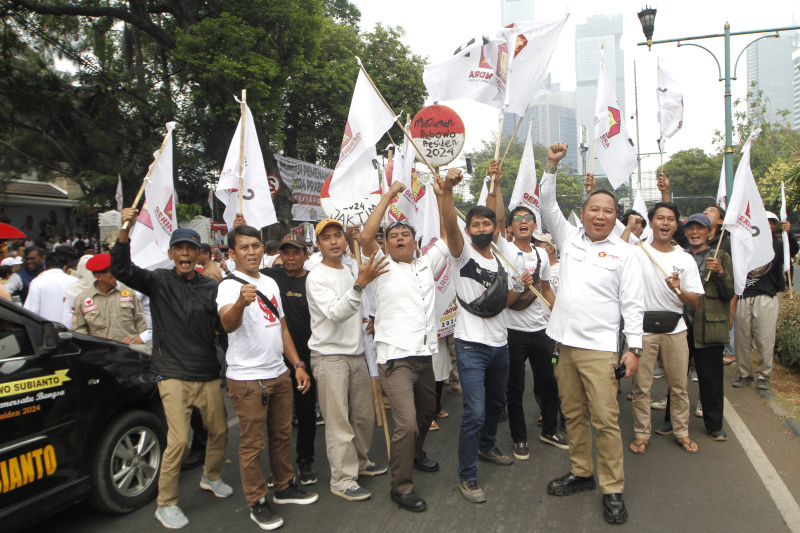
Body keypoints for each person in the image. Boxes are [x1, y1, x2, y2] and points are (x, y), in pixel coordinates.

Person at [539, 143, 643, 525]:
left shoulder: (624, 254)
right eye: (593, 209)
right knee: (572, 414)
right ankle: (582, 473)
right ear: (582, 214)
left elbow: (633, 305)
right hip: (563, 345)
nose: (600, 216)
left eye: (608, 212)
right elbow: (547, 201)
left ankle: (612, 489)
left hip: (600, 350)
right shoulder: (567, 238)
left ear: (615, 218)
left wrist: (634, 349)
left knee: (605, 419)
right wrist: (551, 165)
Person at [112, 209, 231, 530]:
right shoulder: (157, 280)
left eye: (191, 249)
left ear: (199, 255)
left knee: (219, 431)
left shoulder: (211, 287)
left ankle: (212, 475)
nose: (185, 254)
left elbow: (224, 328)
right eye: (179, 249)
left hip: (207, 373)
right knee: (178, 441)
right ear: (171, 254)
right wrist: (126, 227)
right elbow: (120, 267)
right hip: (172, 374)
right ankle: (165, 504)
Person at [438, 161, 532, 504]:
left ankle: (487, 446)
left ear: (494, 229)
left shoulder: (502, 253)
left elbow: (501, 213)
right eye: (474, 223)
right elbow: (449, 223)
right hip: (470, 347)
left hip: (500, 344)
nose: (481, 226)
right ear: (469, 228)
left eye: (486, 223)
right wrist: (447, 190)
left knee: (495, 403)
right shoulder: (461, 252)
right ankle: (467, 476)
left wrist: (494, 182)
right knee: (474, 411)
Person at [218, 224, 317, 530]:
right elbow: (227, 325)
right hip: (248, 379)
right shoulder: (228, 286)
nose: (251, 251)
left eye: (255, 246)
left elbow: (282, 328)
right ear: (232, 253)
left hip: (279, 373)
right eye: (244, 247)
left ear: (263, 249)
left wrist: (297, 364)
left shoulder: (270, 283)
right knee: (251, 445)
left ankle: (284, 486)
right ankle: (257, 500)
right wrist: (240, 303)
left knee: (282, 434)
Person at [359, 180, 448, 513]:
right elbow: (367, 238)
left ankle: (416, 454)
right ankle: (401, 486)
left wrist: (444, 196)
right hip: (396, 360)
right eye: (393, 235)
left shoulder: (427, 264)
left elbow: (452, 235)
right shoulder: (381, 265)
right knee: (406, 423)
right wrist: (388, 196)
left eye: (405, 234)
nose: (398, 238)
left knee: (426, 414)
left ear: (415, 242)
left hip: (426, 357)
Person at [306, 217, 389, 502]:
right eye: (326, 237)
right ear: (318, 245)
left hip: (357, 354)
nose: (333, 241)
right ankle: (342, 479)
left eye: (337, 235)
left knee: (364, 416)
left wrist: (371, 317)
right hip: (329, 358)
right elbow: (336, 312)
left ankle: (361, 462)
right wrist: (358, 286)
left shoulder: (351, 267)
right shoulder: (316, 276)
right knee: (339, 422)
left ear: (344, 238)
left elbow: (364, 302)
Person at [630, 202, 703, 455]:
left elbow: (694, 301)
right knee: (641, 386)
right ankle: (641, 433)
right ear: (650, 223)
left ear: (676, 224)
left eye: (670, 219)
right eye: (660, 218)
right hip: (643, 329)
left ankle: (682, 431)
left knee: (679, 385)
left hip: (676, 329)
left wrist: (679, 288)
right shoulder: (636, 252)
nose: (665, 223)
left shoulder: (685, 259)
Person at [492, 205, 563, 458]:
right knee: (515, 387)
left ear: (535, 226)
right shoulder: (505, 250)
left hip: (542, 331)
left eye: (528, 218)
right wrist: (496, 184)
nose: (524, 221)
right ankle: (519, 438)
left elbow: (546, 291)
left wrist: (559, 317)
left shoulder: (542, 256)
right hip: (512, 332)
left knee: (550, 383)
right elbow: (496, 216)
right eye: (518, 219)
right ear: (509, 228)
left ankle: (551, 430)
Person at [261, 233, 319, 486]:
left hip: (308, 359)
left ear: (306, 255)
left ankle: (305, 461)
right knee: (279, 420)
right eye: (286, 253)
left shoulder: (314, 281)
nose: (291, 257)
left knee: (306, 415)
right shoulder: (272, 277)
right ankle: (280, 468)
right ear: (279, 256)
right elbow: (245, 264)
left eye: (296, 252)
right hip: (278, 361)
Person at [677, 213, 735, 441]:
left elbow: (729, 292)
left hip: (709, 326)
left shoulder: (721, 256)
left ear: (709, 233)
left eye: (700, 229)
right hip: (681, 325)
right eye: (690, 228)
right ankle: (672, 421)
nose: (694, 232)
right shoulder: (679, 256)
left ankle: (714, 425)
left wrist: (720, 272)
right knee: (677, 378)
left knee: (710, 378)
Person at [733, 212, 799, 390]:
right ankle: (744, 373)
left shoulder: (777, 245)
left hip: (767, 296)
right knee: (742, 339)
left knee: (765, 338)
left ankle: (763, 375)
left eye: (772, 223)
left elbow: (791, 250)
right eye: (765, 222)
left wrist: (789, 234)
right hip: (744, 296)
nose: (768, 225)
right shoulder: (743, 245)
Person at [72, 253, 148, 343]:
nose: (116, 275)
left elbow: (140, 321)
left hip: (130, 351)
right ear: (98, 276)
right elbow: (80, 330)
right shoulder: (82, 300)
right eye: (112, 272)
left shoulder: (128, 293)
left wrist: (142, 342)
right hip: (102, 353)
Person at [24, 250, 76, 327]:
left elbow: (32, 311)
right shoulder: (74, 281)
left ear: (45, 267)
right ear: (65, 267)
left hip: (47, 330)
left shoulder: (37, 282)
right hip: (72, 330)